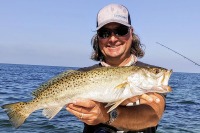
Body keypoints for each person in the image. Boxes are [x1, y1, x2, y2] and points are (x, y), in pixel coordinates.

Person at [66, 3, 166, 133]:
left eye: (121, 31)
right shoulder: (82, 76)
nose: (113, 39)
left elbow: (152, 117)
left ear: (131, 32)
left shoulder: (147, 73)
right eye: (105, 33)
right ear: (98, 38)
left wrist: (105, 115)